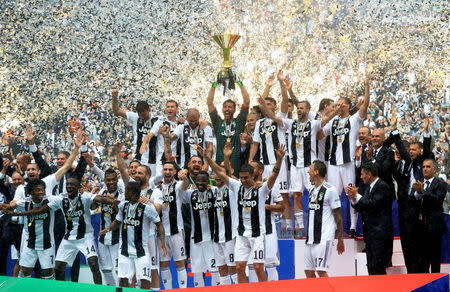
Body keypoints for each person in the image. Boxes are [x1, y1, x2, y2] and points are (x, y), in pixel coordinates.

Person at [8, 176, 117, 284]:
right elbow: (41, 209)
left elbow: (99, 198)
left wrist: (112, 202)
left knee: (93, 264)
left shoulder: (85, 196)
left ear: (79, 187)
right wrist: (19, 213)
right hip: (68, 238)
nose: (69, 186)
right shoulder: (61, 199)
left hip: (85, 236)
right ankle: (62, 289)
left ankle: (98, 289)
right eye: (67, 185)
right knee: (59, 267)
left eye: (72, 185)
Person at [323, 72, 370, 235]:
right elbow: (320, 133)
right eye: (337, 104)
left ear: (348, 106)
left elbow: (365, 106)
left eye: (341, 104)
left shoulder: (354, 119)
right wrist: (331, 114)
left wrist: (367, 86)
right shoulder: (333, 121)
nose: (338, 106)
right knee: (333, 196)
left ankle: (351, 228)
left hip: (348, 163)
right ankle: (334, 227)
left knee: (351, 195)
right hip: (333, 164)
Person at [282, 99, 337, 238]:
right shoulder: (291, 123)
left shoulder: (313, 124)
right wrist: (263, 105)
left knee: (316, 195)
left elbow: (327, 119)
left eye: (302, 108)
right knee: (296, 195)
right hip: (295, 166)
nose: (299, 110)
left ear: (308, 110)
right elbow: (274, 117)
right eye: (298, 108)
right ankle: (300, 227)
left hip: (309, 166)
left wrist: (338, 110)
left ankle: (317, 225)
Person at [99, 181, 166, 289]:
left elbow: (159, 224)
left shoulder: (147, 209)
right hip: (124, 251)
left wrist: (162, 241)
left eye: (127, 191)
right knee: (123, 280)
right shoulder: (123, 206)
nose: (125, 193)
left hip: (141, 252)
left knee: (145, 281)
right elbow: (117, 221)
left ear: (134, 193)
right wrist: (108, 229)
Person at [389, 114, 435, 273]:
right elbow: (401, 149)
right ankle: (411, 273)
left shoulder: (423, 163)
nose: (411, 152)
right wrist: (394, 129)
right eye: (410, 150)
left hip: (420, 211)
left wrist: (426, 131)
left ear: (420, 152)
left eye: (414, 150)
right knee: (407, 244)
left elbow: (428, 151)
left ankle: (422, 273)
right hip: (405, 211)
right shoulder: (406, 164)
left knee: (420, 247)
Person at [345, 162, 393, 275]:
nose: (361, 177)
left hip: (380, 235)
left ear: (369, 174)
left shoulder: (382, 186)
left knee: (378, 268)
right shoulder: (369, 188)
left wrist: (357, 195)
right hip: (370, 234)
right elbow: (362, 206)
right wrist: (353, 198)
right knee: (371, 268)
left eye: (362, 174)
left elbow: (373, 204)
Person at [304, 160, 344, 278]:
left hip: (323, 238)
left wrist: (340, 239)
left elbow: (338, 216)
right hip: (310, 239)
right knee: (309, 272)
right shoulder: (311, 190)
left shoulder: (330, 190)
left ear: (316, 172)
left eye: (310, 169)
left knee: (321, 271)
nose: (308, 171)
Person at [151, 162, 188, 289]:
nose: (167, 172)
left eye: (170, 170)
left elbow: (185, 185)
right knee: (164, 264)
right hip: (161, 234)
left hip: (176, 232)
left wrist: (185, 177)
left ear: (174, 172)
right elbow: (156, 209)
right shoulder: (156, 190)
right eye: (165, 169)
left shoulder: (178, 186)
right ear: (162, 171)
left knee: (179, 263)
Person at [180, 170, 220, 287]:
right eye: (198, 180)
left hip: (212, 239)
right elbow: (180, 192)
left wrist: (212, 185)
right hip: (195, 239)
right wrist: (184, 179)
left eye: (203, 181)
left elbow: (227, 188)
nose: (200, 183)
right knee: (197, 272)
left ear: (208, 181)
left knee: (215, 270)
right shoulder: (190, 193)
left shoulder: (214, 191)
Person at [207, 72, 250, 176]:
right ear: (222, 109)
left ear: (234, 110)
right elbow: (209, 102)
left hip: (236, 161)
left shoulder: (239, 122)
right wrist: (213, 85)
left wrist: (239, 82)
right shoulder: (218, 123)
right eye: (225, 107)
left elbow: (247, 101)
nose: (227, 109)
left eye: (230, 107)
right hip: (220, 160)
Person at [411, 159, 448, 273]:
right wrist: (417, 193)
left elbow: (437, 200)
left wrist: (422, 192)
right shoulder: (419, 183)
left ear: (434, 169)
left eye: (428, 166)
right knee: (422, 260)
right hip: (420, 226)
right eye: (423, 167)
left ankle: (436, 286)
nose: (425, 169)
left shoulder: (440, 183)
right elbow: (411, 202)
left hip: (434, 227)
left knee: (435, 259)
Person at [112, 89, 160, 174]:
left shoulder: (157, 120)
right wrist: (114, 97)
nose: (142, 118)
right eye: (140, 115)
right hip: (138, 159)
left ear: (149, 110)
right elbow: (117, 111)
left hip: (153, 161)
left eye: (144, 115)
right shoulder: (135, 118)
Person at [93, 168, 124, 286]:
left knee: (118, 269)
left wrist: (112, 202)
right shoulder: (103, 192)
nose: (110, 182)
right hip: (102, 236)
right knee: (105, 269)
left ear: (117, 180)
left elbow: (121, 215)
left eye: (113, 180)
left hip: (118, 237)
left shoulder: (122, 193)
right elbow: (92, 207)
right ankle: (111, 288)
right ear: (104, 181)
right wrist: (96, 198)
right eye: (108, 180)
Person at [140, 100, 183, 176]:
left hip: (176, 159)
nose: (170, 109)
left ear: (177, 109)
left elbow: (173, 137)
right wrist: (144, 143)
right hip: (161, 159)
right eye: (168, 107)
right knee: (159, 180)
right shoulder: (160, 121)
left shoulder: (181, 123)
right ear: (165, 109)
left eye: (172, 107)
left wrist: (165, 134)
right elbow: (150, 134)